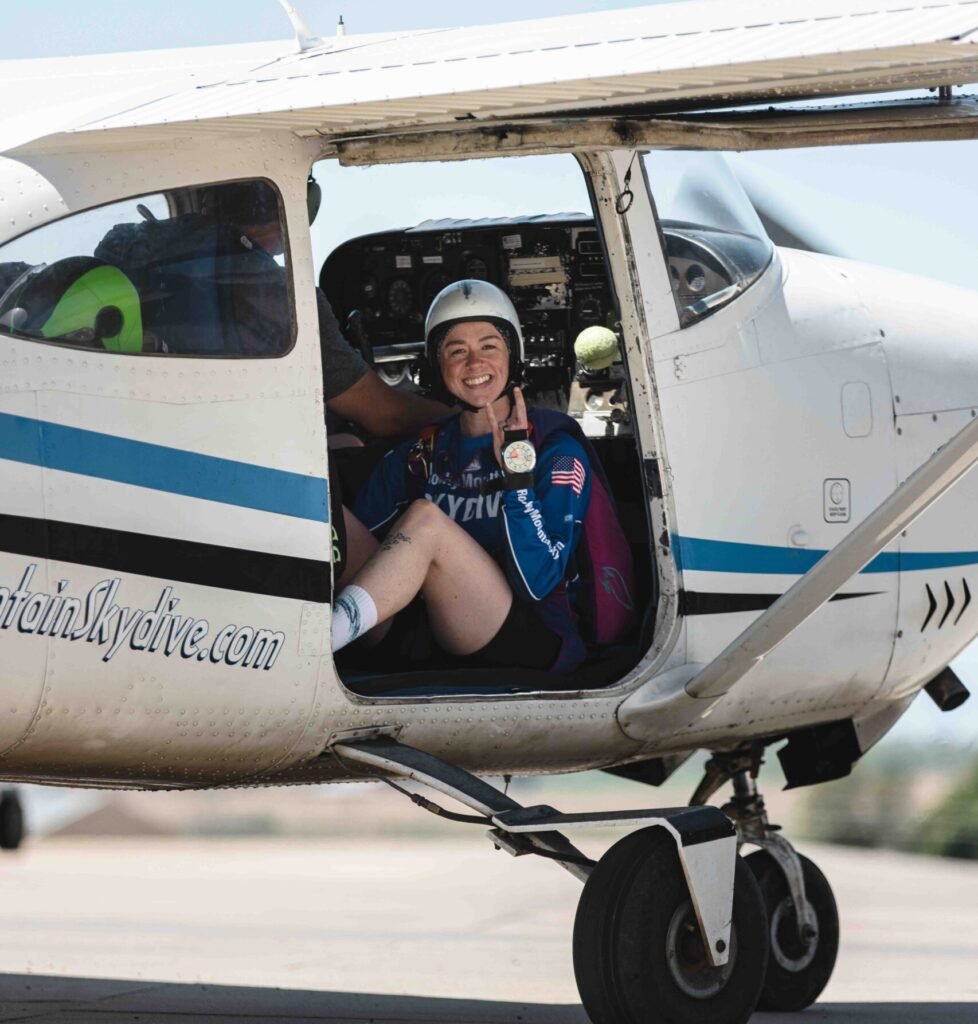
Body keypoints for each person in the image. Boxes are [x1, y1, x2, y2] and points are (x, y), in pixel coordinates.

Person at [331, 279, 594, 674]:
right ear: (438, 365)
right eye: (457, 351)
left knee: (426, 523)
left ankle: (316, 646)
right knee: (323, 506)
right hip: (431, 626)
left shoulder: (556, 452)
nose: (474, 364)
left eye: (489, 346)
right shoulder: (422, 453)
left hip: (529, 636)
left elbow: (538, 584)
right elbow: (361, 548)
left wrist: (516, 479)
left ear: (513, 355)